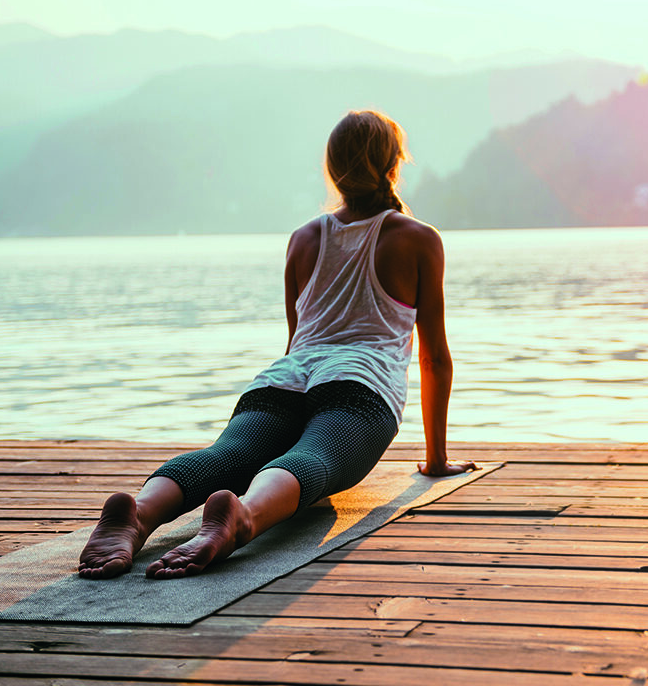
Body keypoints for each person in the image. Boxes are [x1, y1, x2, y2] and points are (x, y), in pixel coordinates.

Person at [78, 109, 476, 579]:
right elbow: (433, 357)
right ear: (394, 165)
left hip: (283, 379)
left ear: (332, 170)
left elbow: (296, 338)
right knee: (313, 459)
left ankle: (141, 511)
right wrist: (434, 460)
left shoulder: (304, 237)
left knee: (224, 457)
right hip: (358, 386)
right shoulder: (417, 238)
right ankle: (242, 516)